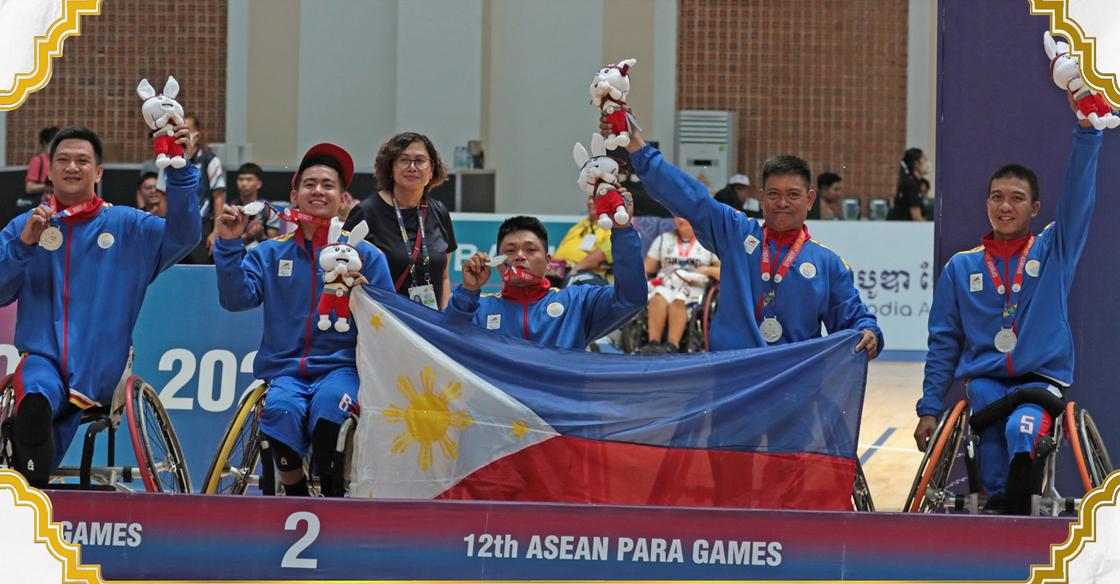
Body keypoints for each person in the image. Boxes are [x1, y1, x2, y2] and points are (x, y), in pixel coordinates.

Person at [913, 95, 1102, 515]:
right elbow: (943, 343)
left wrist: (1087, 133)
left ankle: (1019, 510)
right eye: (996, 197)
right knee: (988, 424)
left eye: (1016, 198)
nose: (1004, 206)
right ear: (987, 204)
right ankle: (1000, 517)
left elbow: (1077, 200)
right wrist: (929, 407)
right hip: (986, 382)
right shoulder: (961, 269)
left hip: (1039, 382)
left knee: (1021, 427)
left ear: (1034, 208)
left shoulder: (1054, 252)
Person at [0, 125, 200, 488]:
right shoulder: (25, 227)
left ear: (99, 171)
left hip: (101, 367)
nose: (72, 167)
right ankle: (30, 505)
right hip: (43, 364)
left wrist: (181, 173)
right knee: (31, 407)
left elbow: (184, 235)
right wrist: (23, 247)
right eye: (62, 160)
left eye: (82, 160)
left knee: (38, 412)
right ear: (49, 169)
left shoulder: (128, 226)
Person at [613, 108, 882, 355]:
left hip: (793, 385)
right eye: (774, 194)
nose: (783, 203)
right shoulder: (736, 234)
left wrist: (870, 333)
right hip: (732, 381)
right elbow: (690, 197)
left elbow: (854, 318)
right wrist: (637, 146)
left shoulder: (828, 265)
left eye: (793, 195)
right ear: (762, 198)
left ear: (810, 200)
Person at [213, 143, 393, 497]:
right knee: (279, 411)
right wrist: (229, 244)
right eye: (310, 184)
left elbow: (388, 321)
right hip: (284, 372)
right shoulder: (269, 252)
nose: (318, 191)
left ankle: (332, 496)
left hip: (341, 369)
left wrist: (367, 295)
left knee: (330, 408)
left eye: (328, 185)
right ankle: (295, 496)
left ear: (343, 199)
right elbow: (235, 300)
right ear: (295, 195)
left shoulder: (366, 256)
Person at [448, 213, 645, 350]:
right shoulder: (479, 308)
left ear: (548, 262)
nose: (519, 256)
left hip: (560, 410)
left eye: (530, 250)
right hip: (498, 410)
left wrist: (622, 230)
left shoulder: (577, 302)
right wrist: (468, 291)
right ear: (497, 262)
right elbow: (445, 340)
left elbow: (631, 298)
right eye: (509, 251)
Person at [343, 132, 456, 310]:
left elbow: (444, 276)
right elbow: (343, 269)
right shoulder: (366, 212)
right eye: (404, 160)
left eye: (420, 160)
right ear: (391, 167)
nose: (412, 167)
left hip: (429, 326)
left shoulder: (439, 212)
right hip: (382, 323)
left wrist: (443, 321)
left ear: (432, 169)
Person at [641, 217, 720, 354]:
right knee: (658, 297)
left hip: (694, 285)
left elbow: (722, 272)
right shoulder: (663, 239)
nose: (681, 219)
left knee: (678, 301)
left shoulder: (708, 241)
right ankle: (653, 343)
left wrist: (706, 270)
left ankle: (672, 345)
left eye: (685, 215)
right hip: (667, 282)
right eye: (677, 215)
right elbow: (647, 267)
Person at [156, 114, 226, 263]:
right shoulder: (167, 161)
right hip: (174, 227)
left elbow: (218, 196)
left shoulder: (211, 160)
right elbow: (162, 196)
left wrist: (216, 231)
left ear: (197, 135)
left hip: (201, 227)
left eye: (185, 129)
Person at [552, 194, 614, 286]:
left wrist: (576, 268)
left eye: (594, 199)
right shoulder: (578, 226)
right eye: (589, 198)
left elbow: (605, 252)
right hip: (558, 270)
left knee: (572, 281)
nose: (590, 202)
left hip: (583, 273)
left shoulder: (611, 227)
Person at [233, 163, 279, 250]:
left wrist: (261, 235)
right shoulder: (231, 207)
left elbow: (274, 245)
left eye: (249, 179)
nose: (244, 183)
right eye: (240, 179)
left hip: (261, 256)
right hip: (235, 254)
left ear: (259, 184)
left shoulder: (269, 209)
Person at [20, 127, 60, 210]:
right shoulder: (37, 160)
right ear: (45, 143)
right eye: (54, 142)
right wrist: (49, 187)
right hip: (41, 205)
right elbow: (29, 188)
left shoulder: (59, 160)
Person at [888, 148, 928, 221]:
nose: (927, 162)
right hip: (903, 228)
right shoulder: (911, 184)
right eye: (924, 159)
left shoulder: (912, 181)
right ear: (916, 163)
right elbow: (916, 216)